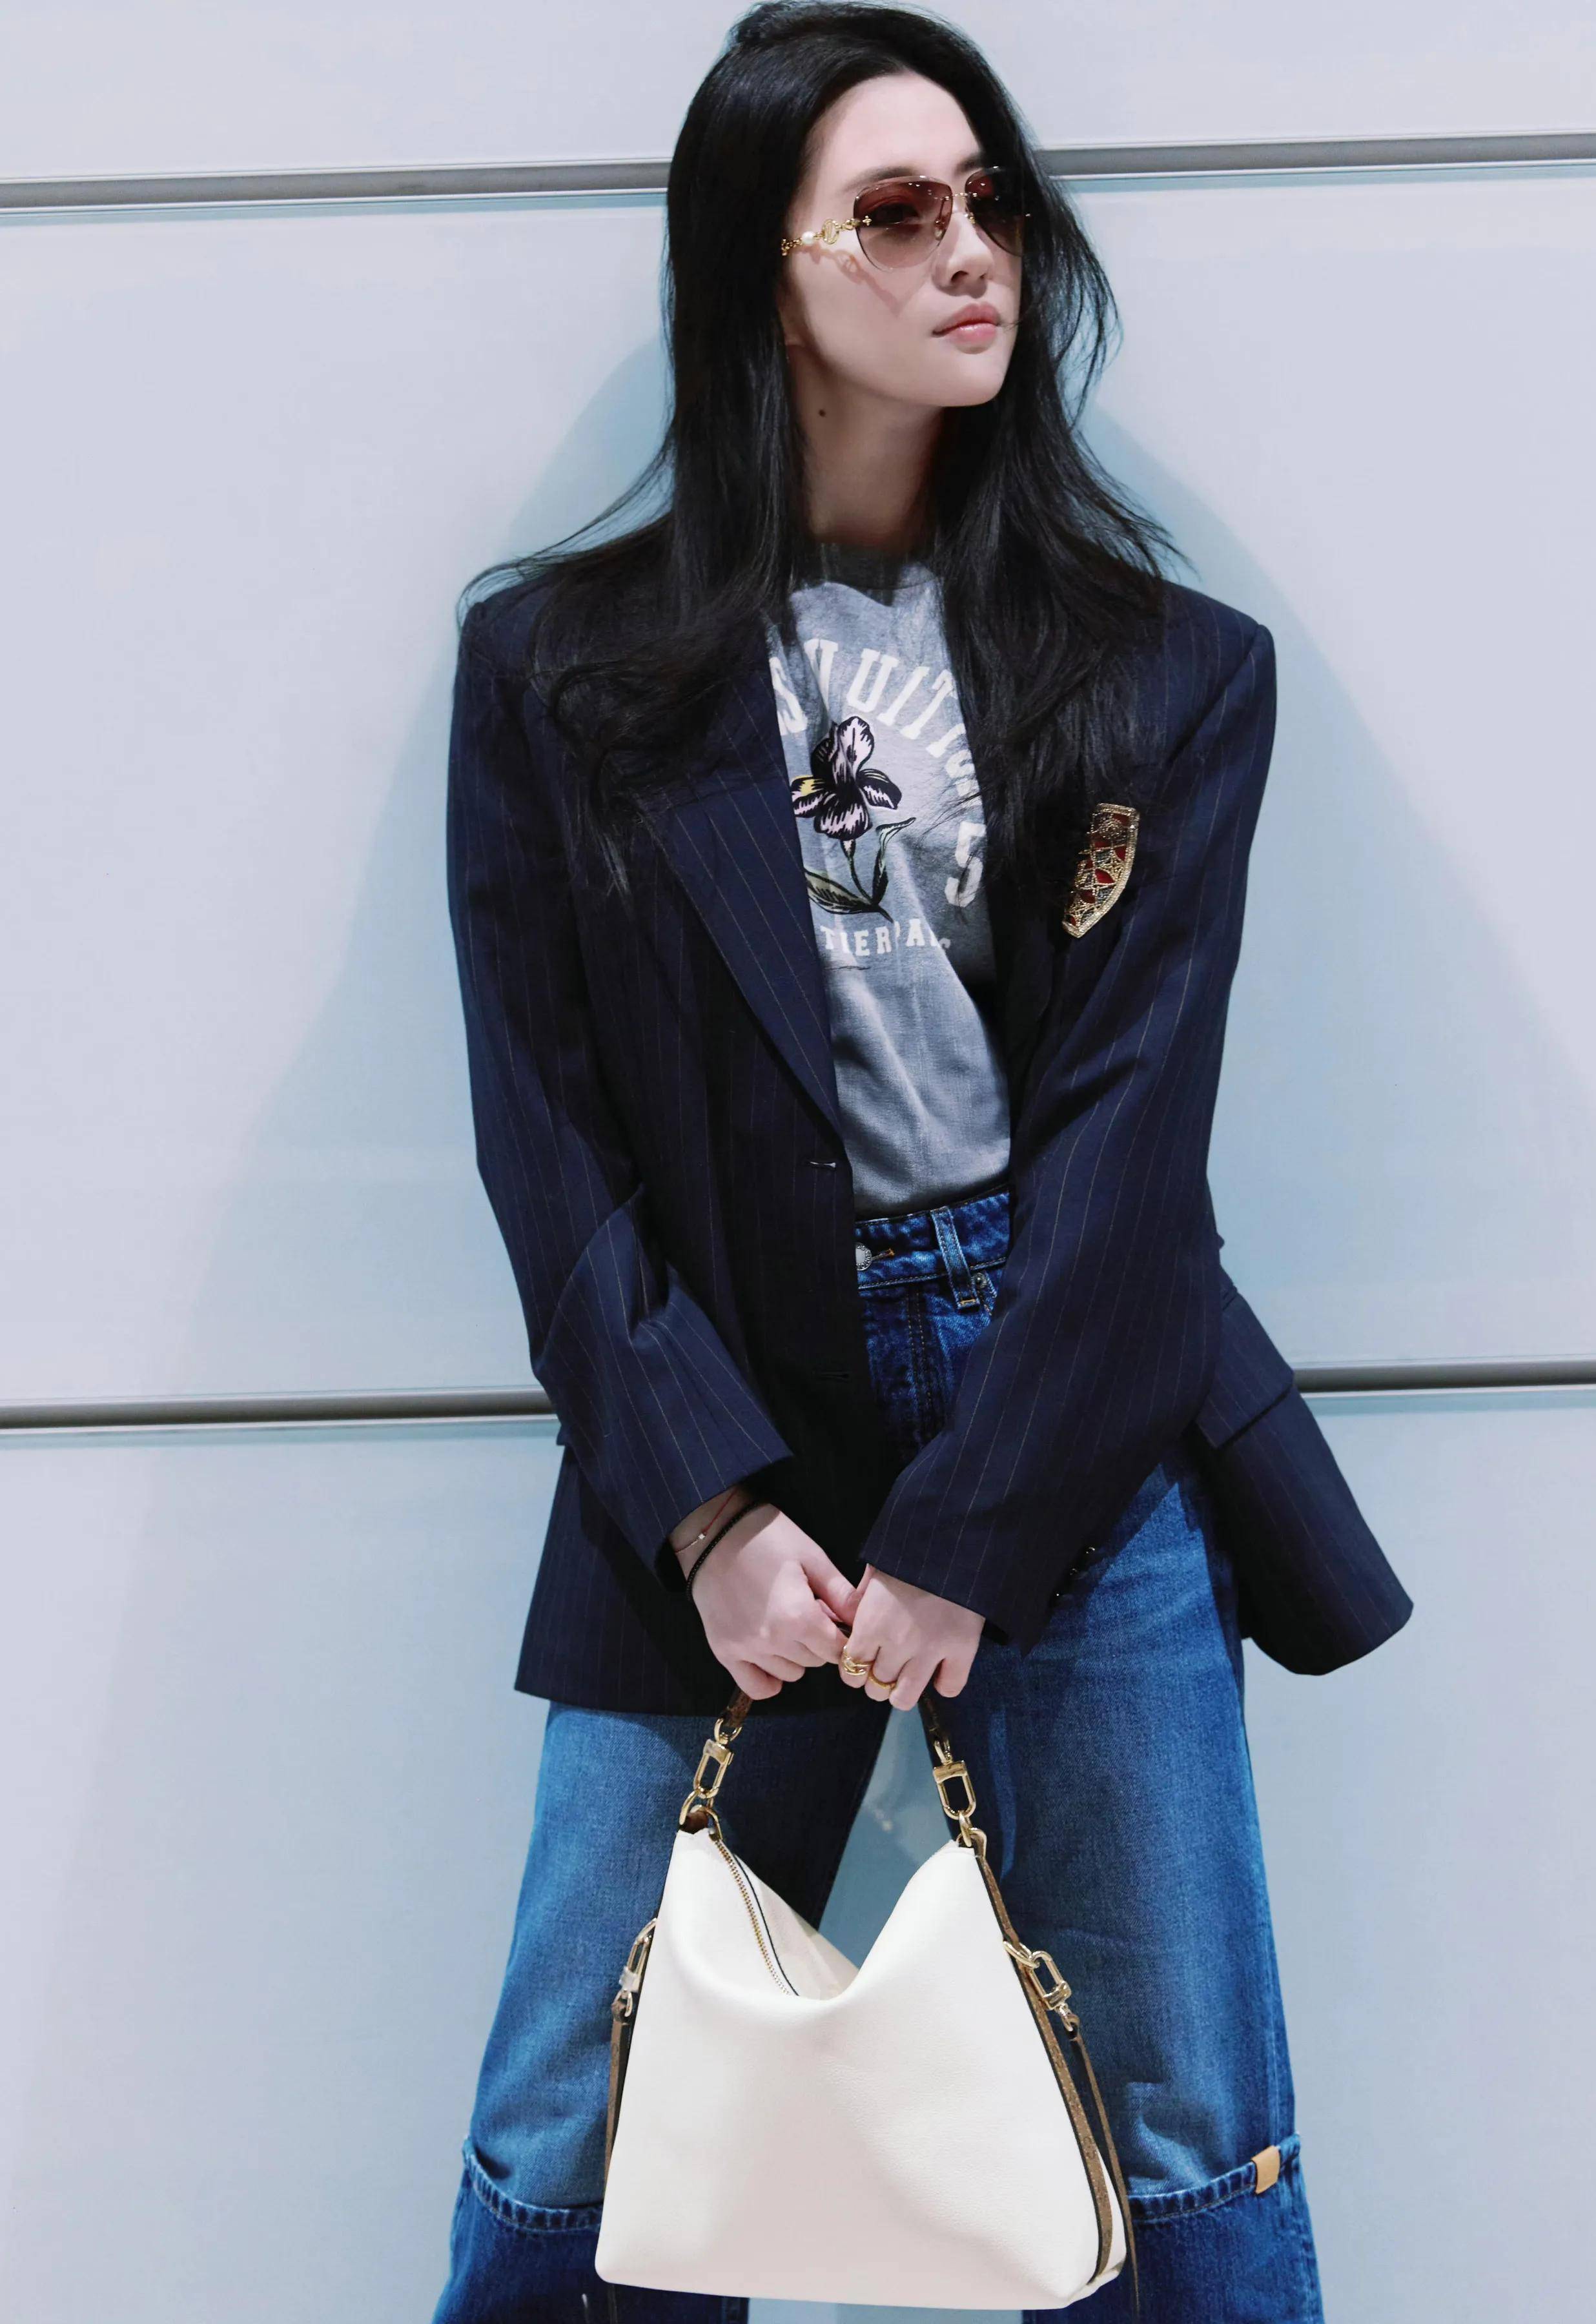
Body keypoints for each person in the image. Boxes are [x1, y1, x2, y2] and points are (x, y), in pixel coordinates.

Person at [431, 7, 1413, 2319]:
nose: (972, 252)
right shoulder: (562, 676)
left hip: (1070, 1391)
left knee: (1181, 2116)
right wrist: (707, 1511)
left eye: (993, 203)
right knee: (586, 2121)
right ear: (762, 274)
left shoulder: (1168, 675)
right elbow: (545, 1138)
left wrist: (975, 1535)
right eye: (895, 211)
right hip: (709, 1396)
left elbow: (1131, 1153)